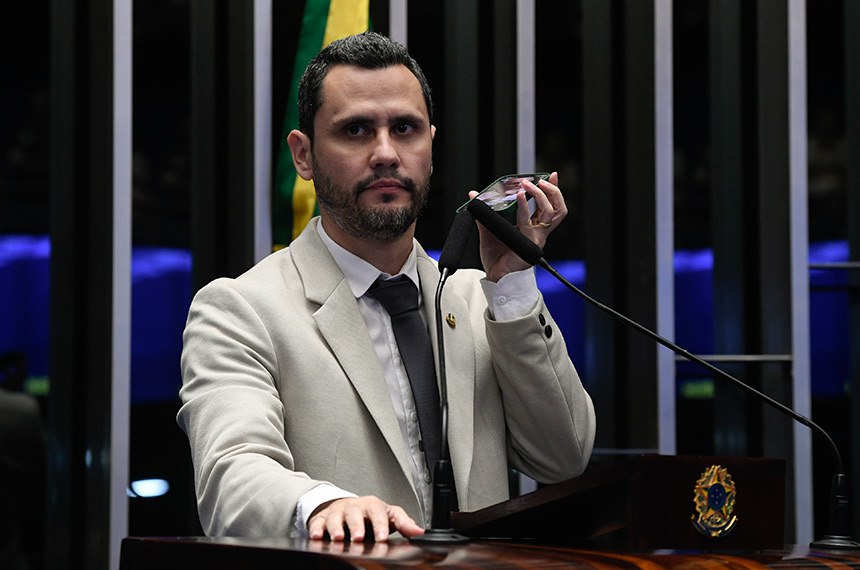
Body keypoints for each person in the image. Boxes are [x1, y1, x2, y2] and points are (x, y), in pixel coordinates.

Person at [177, 30, 596, 543]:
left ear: (431, 146)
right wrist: (321, 504)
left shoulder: (475, 299)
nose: (385, 153)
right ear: (303, 155)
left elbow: (563, 456)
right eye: (355, 130)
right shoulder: (241, 310)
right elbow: (231, 477)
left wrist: (511, 283)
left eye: (405, 128)